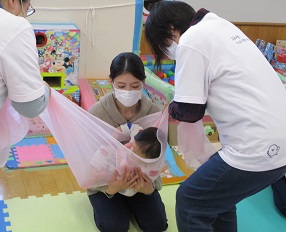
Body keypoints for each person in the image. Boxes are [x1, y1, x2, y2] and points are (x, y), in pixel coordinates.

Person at [145, 1, 286, 231]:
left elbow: (189, 111)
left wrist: (172, 110)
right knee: (217, 200)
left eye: (164, 45)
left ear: (171, 30)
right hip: (278, 142)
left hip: (257, 147)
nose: (168, 52)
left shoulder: (191, 41)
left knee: (190, 201)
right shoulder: (221, 26)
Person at [0, 1, 51, 231]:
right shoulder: (12, 26)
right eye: (26, 7)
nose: (25, 13)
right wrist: (46, 91)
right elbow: (30, 105)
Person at [88, 52, 168, 232]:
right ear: (111, 83)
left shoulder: (154, 113)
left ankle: (132, 204)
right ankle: (113, 205)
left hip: (141, 183)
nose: (128, 92)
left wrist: (148, 189)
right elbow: (89, 165)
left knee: (157, 226)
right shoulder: (96, 114)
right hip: (107, 185)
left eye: (135, 86)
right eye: (121, 86)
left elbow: (158, 158)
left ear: (143, 83)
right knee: (115, 227)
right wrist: (111, 189)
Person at [88, 127, 161, 197]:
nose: (131, 151)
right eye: (133, 147)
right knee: (103, 150)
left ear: (148, 160)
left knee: (130, 192)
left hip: (123, 177)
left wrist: (144, 186)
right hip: (117, 155)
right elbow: (132, 127)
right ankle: (95, 171)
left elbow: (147, 181)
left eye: (136, 155)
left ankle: (105, 176)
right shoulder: (139, 136)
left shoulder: (149, 168)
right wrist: (121, 129)